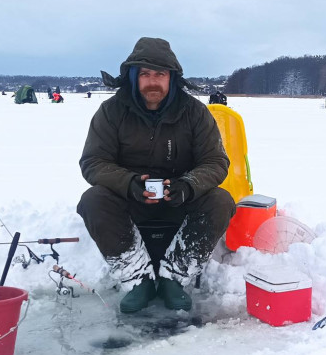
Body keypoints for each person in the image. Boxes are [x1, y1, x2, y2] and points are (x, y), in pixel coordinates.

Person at [76, 37, 235, 314]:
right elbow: (93, 162)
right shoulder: (111, 112)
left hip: (180, 202)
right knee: (93, 200)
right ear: (134, 78)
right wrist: (129, 184)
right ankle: (138, 279)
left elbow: (216, 162)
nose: (153, 81)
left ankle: (175, 278)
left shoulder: (195, 112)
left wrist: (187, 186)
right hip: (131, 202)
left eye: (160, 74)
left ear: (172, 78)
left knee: (221, 200)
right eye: (145, 74)